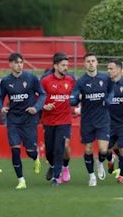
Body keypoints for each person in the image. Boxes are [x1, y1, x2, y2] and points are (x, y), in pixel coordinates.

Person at [0, 53, 45, 189]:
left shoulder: (31, 78)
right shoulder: (6, 81)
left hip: (28, 119)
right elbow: (0, 97)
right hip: (13, 119)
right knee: (15, 149)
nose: (19, 65)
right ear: (10, 64)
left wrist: (36, 108)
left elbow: (42, 94)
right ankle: (21, 180)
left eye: (21, 62)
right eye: (16, 62)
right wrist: (2, 107)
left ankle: (35, 157)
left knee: (30, 150)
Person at [70, 53, 114, 187]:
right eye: (88, 61)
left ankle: (100, 162)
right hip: (87, 120)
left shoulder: (105, 78)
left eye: (93, 61)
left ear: (97, 62)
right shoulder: (81, 81)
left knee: (103, 149)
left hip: (103, 119)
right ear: (84, 64)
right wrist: (74, 100)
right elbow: (74, 96)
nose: (90, 63)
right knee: (88, 149)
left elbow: (111, 92)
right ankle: (91, 176)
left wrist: (108, 100)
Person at [41, 53, 75, 186]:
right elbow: (37, 97)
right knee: (49, 150)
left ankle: (58, 175)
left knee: (61, 147)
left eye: (67, 65)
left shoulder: (71, 80)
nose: (66, 68)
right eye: (63, 65)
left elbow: (76, 95)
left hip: (64, 120)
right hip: (48, 120)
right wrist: (44, 106)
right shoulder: (45, 81)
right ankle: (54, 165)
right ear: (55, 66)